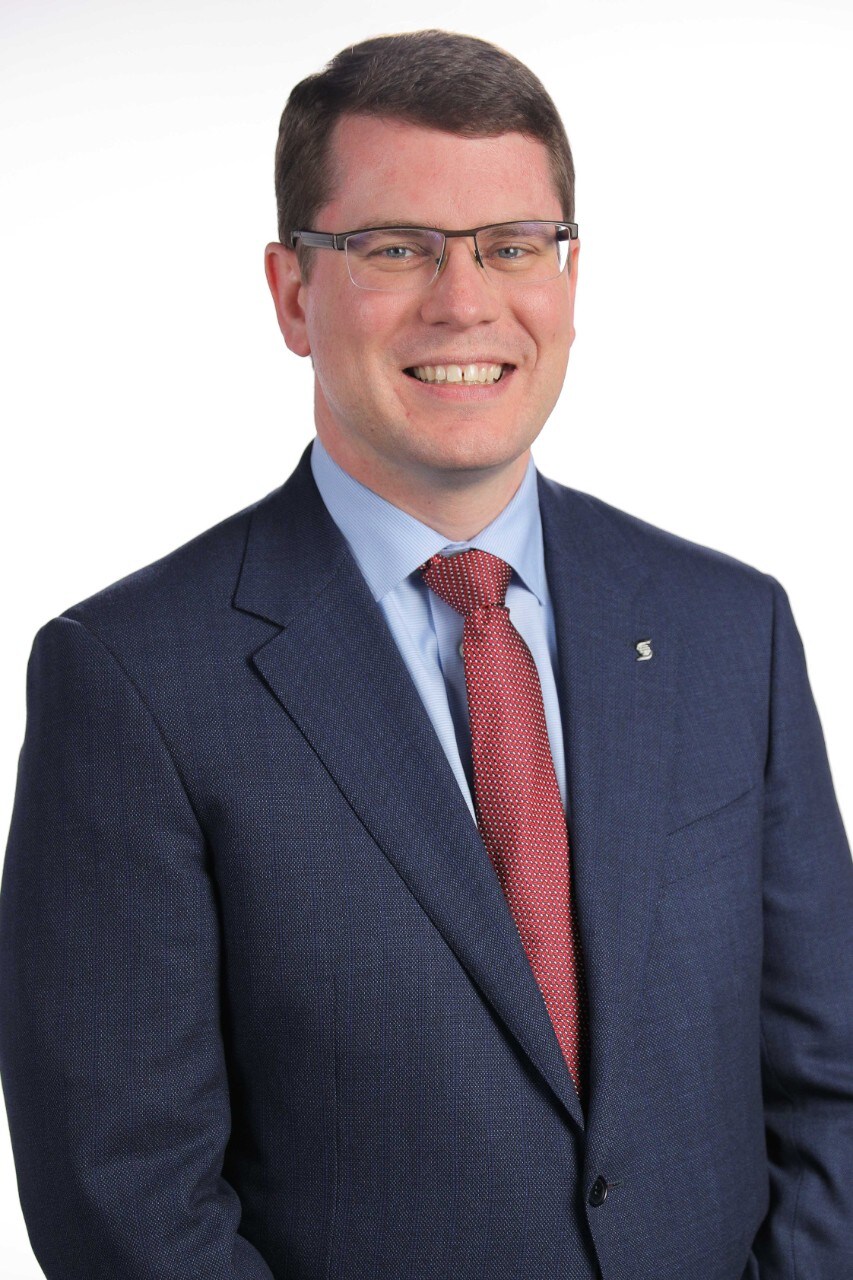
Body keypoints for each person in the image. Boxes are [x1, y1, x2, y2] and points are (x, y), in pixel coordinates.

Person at [0, 28, 850, 1280]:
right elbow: (124, 1197)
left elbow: (833, 1086)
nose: (464, 300)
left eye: (513, 244)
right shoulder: (132, 682)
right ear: (293, 293)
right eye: (397, 247)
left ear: (568, 275)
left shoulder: (733, 628)